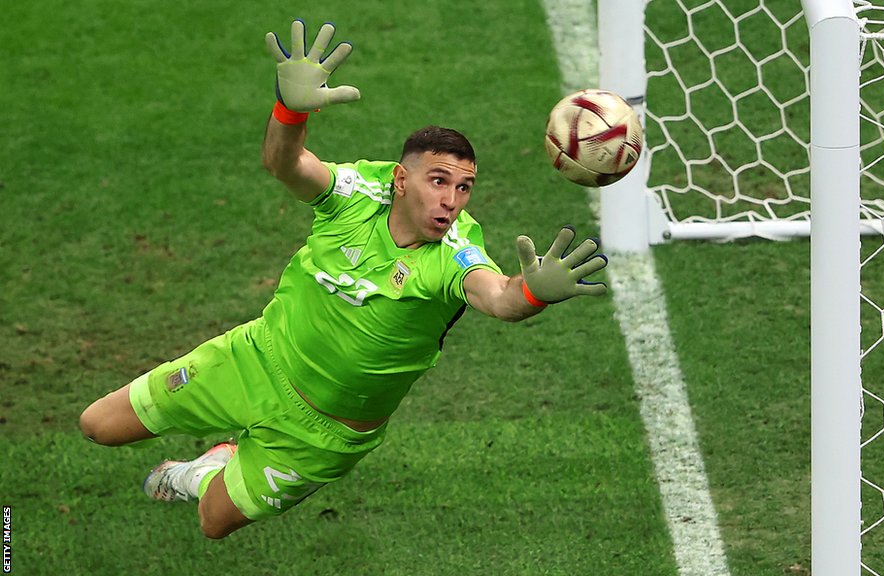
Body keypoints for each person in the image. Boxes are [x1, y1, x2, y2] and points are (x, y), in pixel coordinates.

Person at [78, 19, 609, 539]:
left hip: (323, 434)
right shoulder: (357, 194)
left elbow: (498, 297)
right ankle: (226, 451)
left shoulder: (455, 254)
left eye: (464, 187)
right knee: (98, 425)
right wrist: (290, 111)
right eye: (439, 181)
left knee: (214, 521)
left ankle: (207, 469)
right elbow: (285, 164)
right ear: (401, 180)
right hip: (255, 359)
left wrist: (535, 292)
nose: (451, 200)